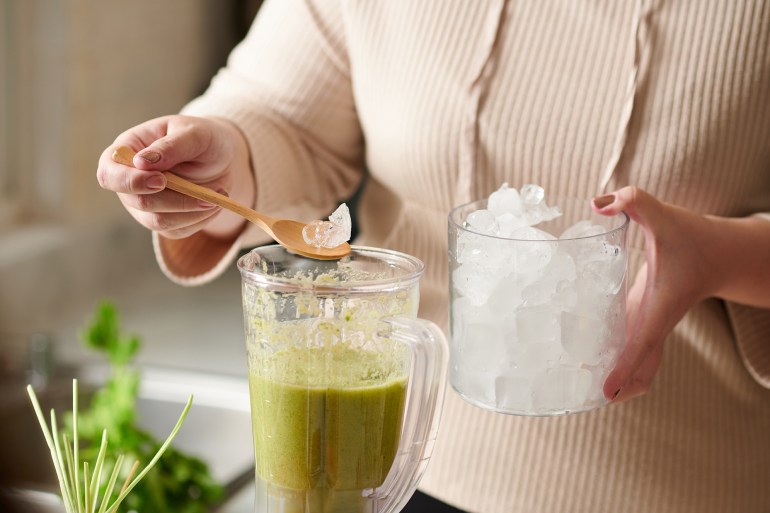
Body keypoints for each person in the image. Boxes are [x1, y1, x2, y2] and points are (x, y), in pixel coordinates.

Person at [97, 1, 770, 511]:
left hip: (692, 487)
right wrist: (221, 163)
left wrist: (720, 255)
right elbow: (283, 112)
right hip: (403, 473)